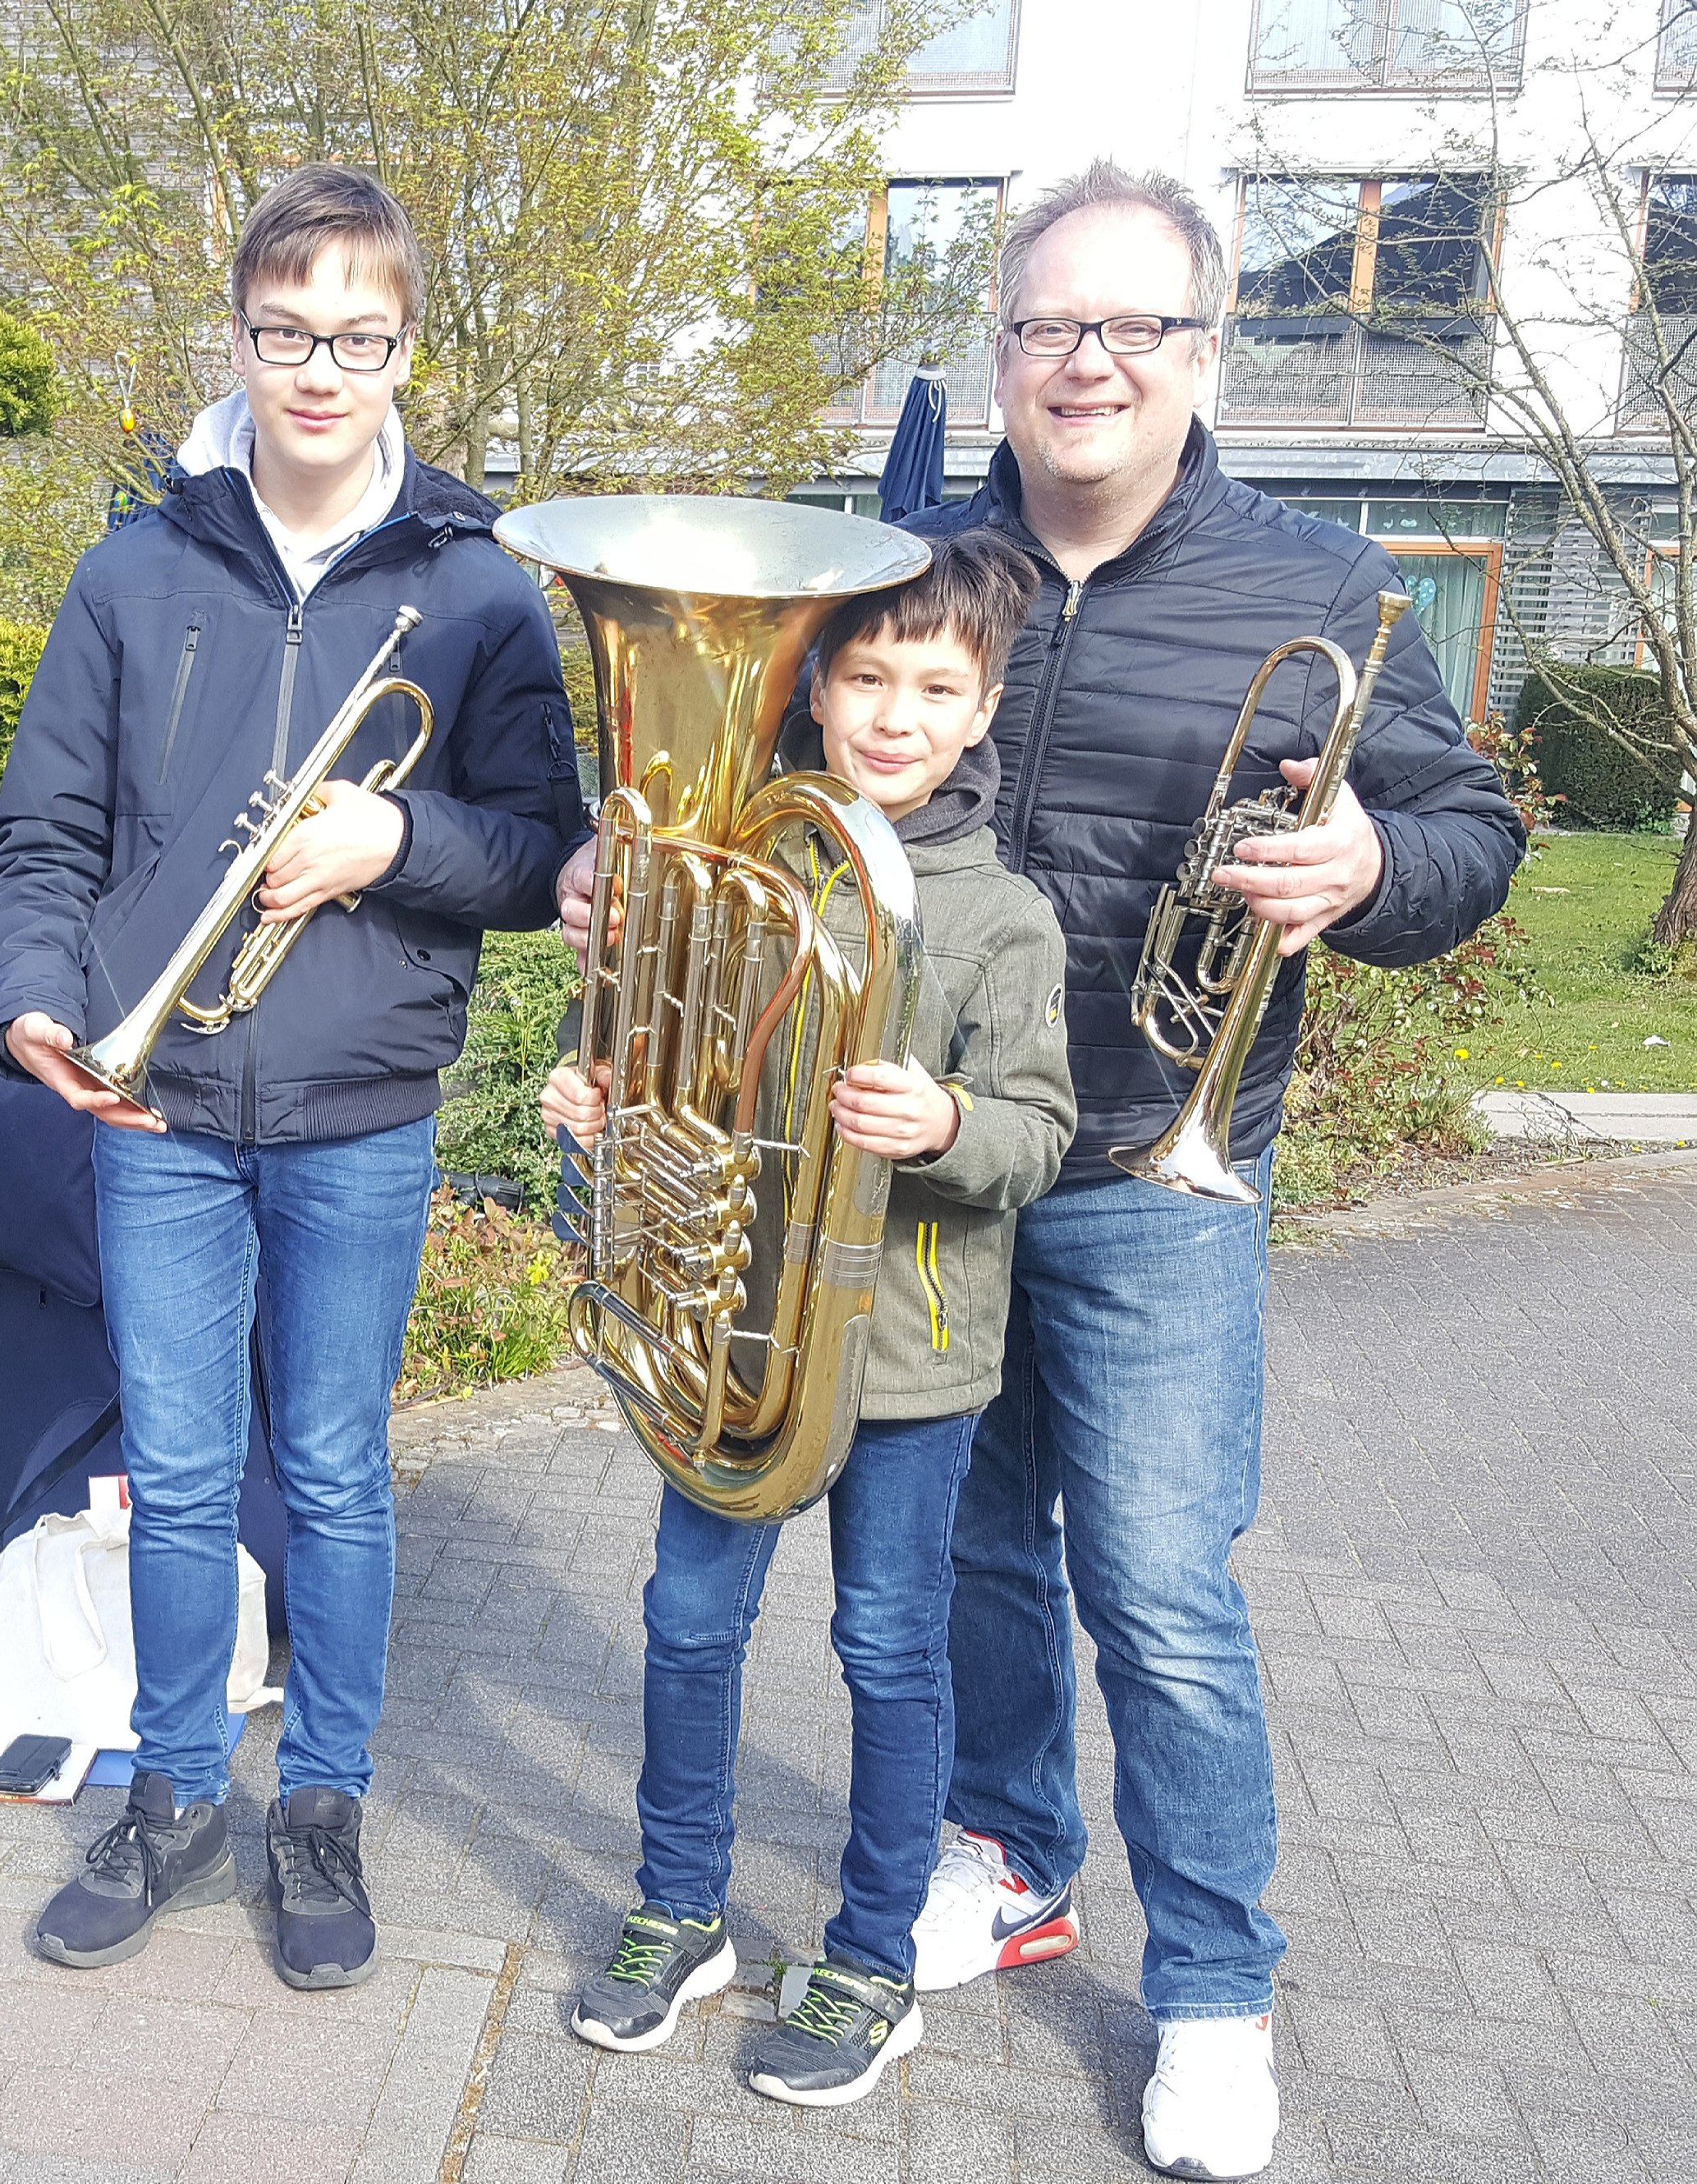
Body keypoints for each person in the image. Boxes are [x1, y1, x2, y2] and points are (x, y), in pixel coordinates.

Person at [558, 161, 1524, 2178]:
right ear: (999, 349)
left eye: (1133, 329)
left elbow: (1470, 831)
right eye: (1046, 328)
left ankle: (1216, 1994)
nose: (1085, 365)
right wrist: (633, 891)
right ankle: (1007, 1856)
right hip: (897, 1195)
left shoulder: (1322, 587)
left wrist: (1373, 866)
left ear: (1204, 350)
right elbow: (766, 811)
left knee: (1162, 1591)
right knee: (979, 1565)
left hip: (1154, 1170)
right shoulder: (906, 564)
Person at [0, 163, 581, 1988]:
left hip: (362, 1108)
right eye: (289, 331)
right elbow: (45, 836)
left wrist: (391, 837)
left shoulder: (477, 594)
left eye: (360, 337)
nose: (322, 369)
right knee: (175, 1469)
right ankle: (173, 1792)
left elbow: (543, 854)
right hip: (153, 1101)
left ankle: (317, 1802)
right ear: (239, 332)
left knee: (329, 1470)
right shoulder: (135, 566)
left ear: (408, 349)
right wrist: (28, 1000)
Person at [545, 532, 1076, 2106]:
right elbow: (668, 1066)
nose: (894, 716)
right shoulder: (742, 864)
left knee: (888, 1645)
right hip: (731, 1338)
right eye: (863, 678)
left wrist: (946, 1122)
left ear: (983, 709)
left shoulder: (1001, 920)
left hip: (907, 1366)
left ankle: (870, 1954)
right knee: (687, 1621)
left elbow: (1038, 1133)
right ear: (816, 688)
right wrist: (601, 1093)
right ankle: (680, 1909)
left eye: (935, 687)